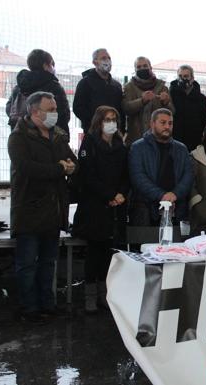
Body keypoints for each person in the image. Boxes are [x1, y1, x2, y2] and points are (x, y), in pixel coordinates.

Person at [8, 91, 77, 323]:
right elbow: (27, 168)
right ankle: (29, 309)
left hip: (53, 209)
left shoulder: (57, 136)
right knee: (27, 264)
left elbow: (71, 160)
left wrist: (71, 166)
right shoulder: (19, 137)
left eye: (55, 108)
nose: (55, 113)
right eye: (50, 109)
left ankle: (48, 305)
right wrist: (59, 168)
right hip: (29, 210)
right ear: (35, 111)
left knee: (48, 263)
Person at [73, 106, 129, 313]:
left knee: (107, 253)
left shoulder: (120, 145)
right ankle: (90, 297)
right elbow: (88, 176)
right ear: (99, 121)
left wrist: (121, 194)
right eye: (107, 119)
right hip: (94, 206)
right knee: (93, 254)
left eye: (114, 119)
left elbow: (126, 174)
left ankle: (104, 294)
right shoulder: (90, 143)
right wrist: (110, 195)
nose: (111, 123)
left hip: (115, 207)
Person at [129, 108, 193, 227]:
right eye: (163, 123)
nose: (167, 127)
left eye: (170, 123)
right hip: (145, 210)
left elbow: (188, 176)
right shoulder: (138, 147)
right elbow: (138, 177)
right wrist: (162, 195)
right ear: (152, 124)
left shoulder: (181, 149)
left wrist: (175, 194)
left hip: (177, 209)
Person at [6, 49, 70, 138]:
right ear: (45, 66)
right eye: (51, 64)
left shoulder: (19, 86)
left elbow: (9, 109)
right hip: (47, 138)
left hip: (20, 136)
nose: (53, 67)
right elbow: (63, 115)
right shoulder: (54, 87)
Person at [122, 57, 175, 146]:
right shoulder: (129, 87)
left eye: (145, 66)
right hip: (135, 138)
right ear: (135, 70)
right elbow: (126, 108)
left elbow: (172, 111)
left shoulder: (162, 86)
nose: (142, 68)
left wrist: (166, 103)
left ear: (150, 67)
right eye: (139, 67)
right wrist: (142, 101)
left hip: (158, 138)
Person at [73, 49, 124, 134]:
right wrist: (96, 122)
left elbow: (121, 110)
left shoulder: (117, 86)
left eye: (109, 58)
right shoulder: (85, 83)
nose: (107, 61)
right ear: (94, 62)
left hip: (114, 132)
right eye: (103, 58)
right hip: (93, 132)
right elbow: (78, 108)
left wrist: (121, 129)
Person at [169, 64, 206, 152]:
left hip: (194, 141)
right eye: (180, 76)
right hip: (175, 139)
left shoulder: (201, 99)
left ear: (192, 78)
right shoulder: (171, 96)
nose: (182, 78)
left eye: (186, 76)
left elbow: (204, 120)